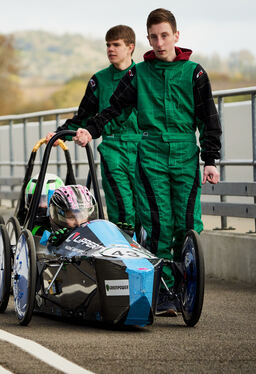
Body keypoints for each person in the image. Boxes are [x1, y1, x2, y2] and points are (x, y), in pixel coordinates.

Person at [69, 8, 222, 316]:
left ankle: (186, 286)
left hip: (185, 155)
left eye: (164, 36)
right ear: (147, 39)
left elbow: (208, 118)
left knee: (187, 224)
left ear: (176, 36)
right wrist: (90, 130)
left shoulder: (195, 73)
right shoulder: (138, 74)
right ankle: (163, 292)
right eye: (153, 37)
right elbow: (115, 109)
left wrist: (210, 159)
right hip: (150, 156)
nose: (159, 42)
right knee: (157, 226)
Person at [52, 25, 139, 236]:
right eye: (108, 45)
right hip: (113, 148)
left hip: (143, 147)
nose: (110, 49)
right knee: (121, 205)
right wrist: (59, 133)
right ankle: (123, 258)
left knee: (147, 206)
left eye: (116, 45)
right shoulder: (98, 80)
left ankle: (151, 257)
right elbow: (83, 117)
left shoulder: (143, 76)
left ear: (130, 47)